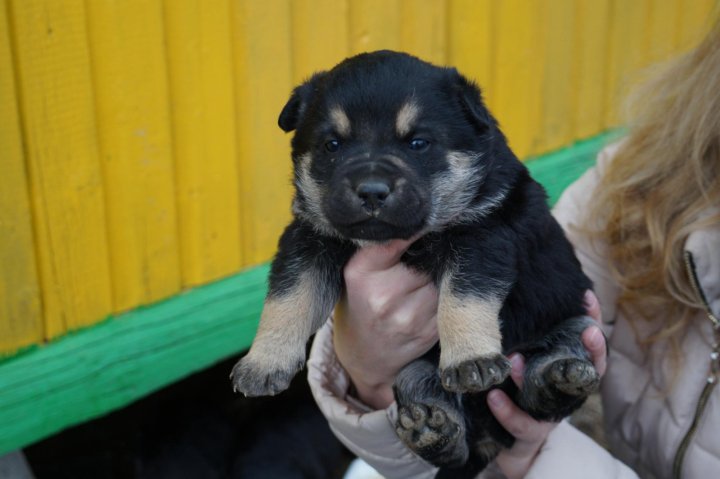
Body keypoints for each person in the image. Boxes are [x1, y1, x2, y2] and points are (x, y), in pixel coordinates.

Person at [307, 17, 720, 479]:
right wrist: (366, 370)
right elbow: (544, 278)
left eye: (418, 143)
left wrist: (537, 460)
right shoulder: (646, 176)